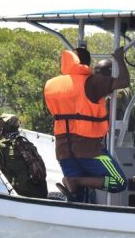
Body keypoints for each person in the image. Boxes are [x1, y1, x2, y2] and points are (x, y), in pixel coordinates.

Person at [43, 45, 130, 202]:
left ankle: (74, 186)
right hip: (91, 151)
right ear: (86, 63)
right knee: (119, 182)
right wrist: (119, 59)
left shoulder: (52, 85)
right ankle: (77, 181)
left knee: (78, 197)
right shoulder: (92, 83)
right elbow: (124, 81)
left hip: (63, 151)